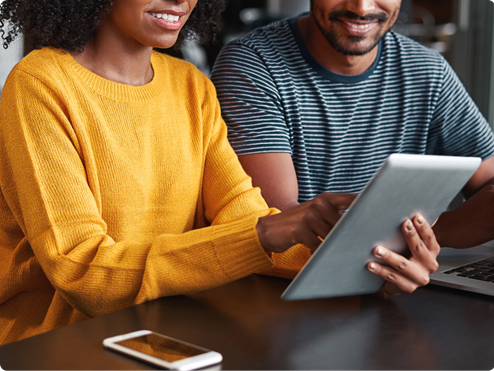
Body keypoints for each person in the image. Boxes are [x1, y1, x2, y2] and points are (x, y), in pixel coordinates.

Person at [0, 0, 438, 346]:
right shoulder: (40, 84)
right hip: (57, 343)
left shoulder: (191, 86)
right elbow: (84, 273)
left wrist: (372, 266)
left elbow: (240, 216)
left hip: (169, 331)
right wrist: (266, 233)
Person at [211, 0, 494, 249]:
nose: (361, 8)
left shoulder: (428, 72)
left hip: (403, 283)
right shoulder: (252, 64)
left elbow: (488, 182)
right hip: (286, 292)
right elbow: (283, 228)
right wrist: (441, 230)